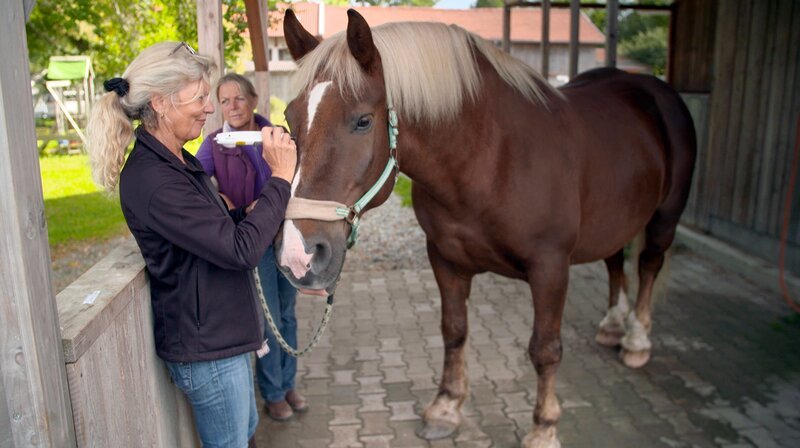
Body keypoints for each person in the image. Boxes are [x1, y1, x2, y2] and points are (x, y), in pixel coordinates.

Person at [86, 42, 297, 448]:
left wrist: (250, 209)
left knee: (245, 435)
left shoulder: (177, 162)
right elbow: (239, 251)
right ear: (161, 103)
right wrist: (280, 178)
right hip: (210, 353)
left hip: (224, 339)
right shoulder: (153, 179)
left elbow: (213, 231)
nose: (208, 107)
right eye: (200, 97)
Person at [196, 73, 307, 422]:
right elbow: (193, 179)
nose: (232, 106)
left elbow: (300, 174)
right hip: (253, 241)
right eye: (225, 100)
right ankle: (272, 392)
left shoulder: (275, 136)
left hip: (284, 236)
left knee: (288, 314)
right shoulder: (215, 142)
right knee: (268, 320)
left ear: (254, 100)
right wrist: (220, 197)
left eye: (239, 98)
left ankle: (288, 383)